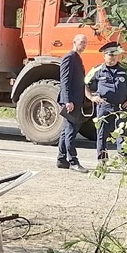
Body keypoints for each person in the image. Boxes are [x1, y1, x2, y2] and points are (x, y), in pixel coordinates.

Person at [86, 41, 127, 165]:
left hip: (121, 106)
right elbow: (85, 84)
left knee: (123, 133)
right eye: (110, 55)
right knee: (102, 134)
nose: (113, 58)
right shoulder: (97, 70)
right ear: (104, 56)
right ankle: (102, 159)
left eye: (115, 55)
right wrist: (91, 98)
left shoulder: (125, 69)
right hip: (104, 106)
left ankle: (125, 160)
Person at [57, 34, 89, 171]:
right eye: (82, 42)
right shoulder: (69, 58)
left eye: (85, 43)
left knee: (67, 131)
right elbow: (64, 81)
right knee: (70, 130)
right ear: (74, 42)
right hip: (71, 101)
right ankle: (73, 161)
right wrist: (67, 101)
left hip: (76, 100)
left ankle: (61, 159)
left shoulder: (77, 58)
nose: (84, 45)